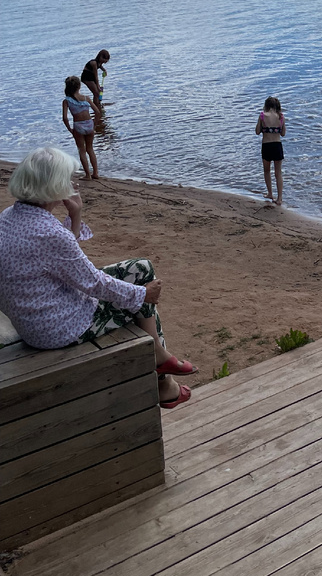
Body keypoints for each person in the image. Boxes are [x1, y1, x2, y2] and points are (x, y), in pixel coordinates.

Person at [0, 147, 195, 407]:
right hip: (57, 327)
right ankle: (162, 376)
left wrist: (75, 215)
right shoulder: (47, 233)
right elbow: (92, 282)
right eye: (68, 179)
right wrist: (142, 294)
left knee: (141, 268)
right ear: (54, 185)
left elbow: (67, 264)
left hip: (34, 318)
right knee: (141, 290)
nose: (73, 184)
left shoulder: (10, 217)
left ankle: (160, 362)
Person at [62, 75, 101, 180]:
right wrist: (94, 125)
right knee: (90, 149)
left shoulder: (66, 101)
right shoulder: (86, 98)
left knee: (82, 150)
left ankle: (88, 175)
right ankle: (96, 172)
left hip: (78, 126)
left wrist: (70, 129)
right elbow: (97, 112)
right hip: (89, 124)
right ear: (79, 86)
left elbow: (65, 118)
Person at [255, 96, 286, 205]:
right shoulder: (281, 116)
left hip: (266, 145)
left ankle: (270, 193)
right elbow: (283, 133)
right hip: (277, 145)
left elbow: (257, 131)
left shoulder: (262, 116)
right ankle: (280, 198)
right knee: (278, 172)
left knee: (267, 171)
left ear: (266, 106)